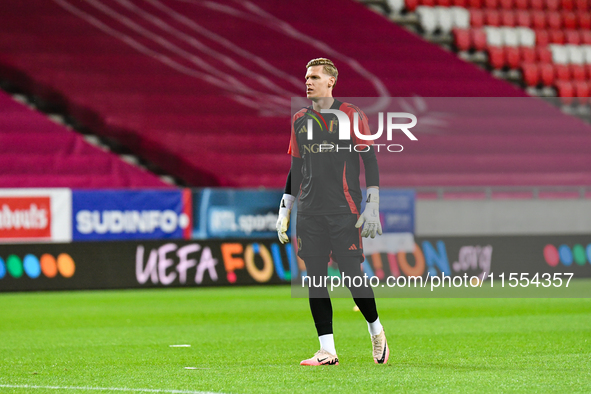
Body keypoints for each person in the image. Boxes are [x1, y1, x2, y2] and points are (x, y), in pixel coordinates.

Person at [276, 58, 388, 366]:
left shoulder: (351, 115)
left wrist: (372, 204)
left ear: (330, 82)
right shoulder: (299, 118)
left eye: (314, 77)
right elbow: (296, 167)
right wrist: (285, 209)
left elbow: (371, 160)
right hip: (310, 212)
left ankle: (376, 330)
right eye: (306, 76)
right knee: (315, 279)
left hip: (344, 209)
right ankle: (327, 350)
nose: (308, 82)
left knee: (352, 274)